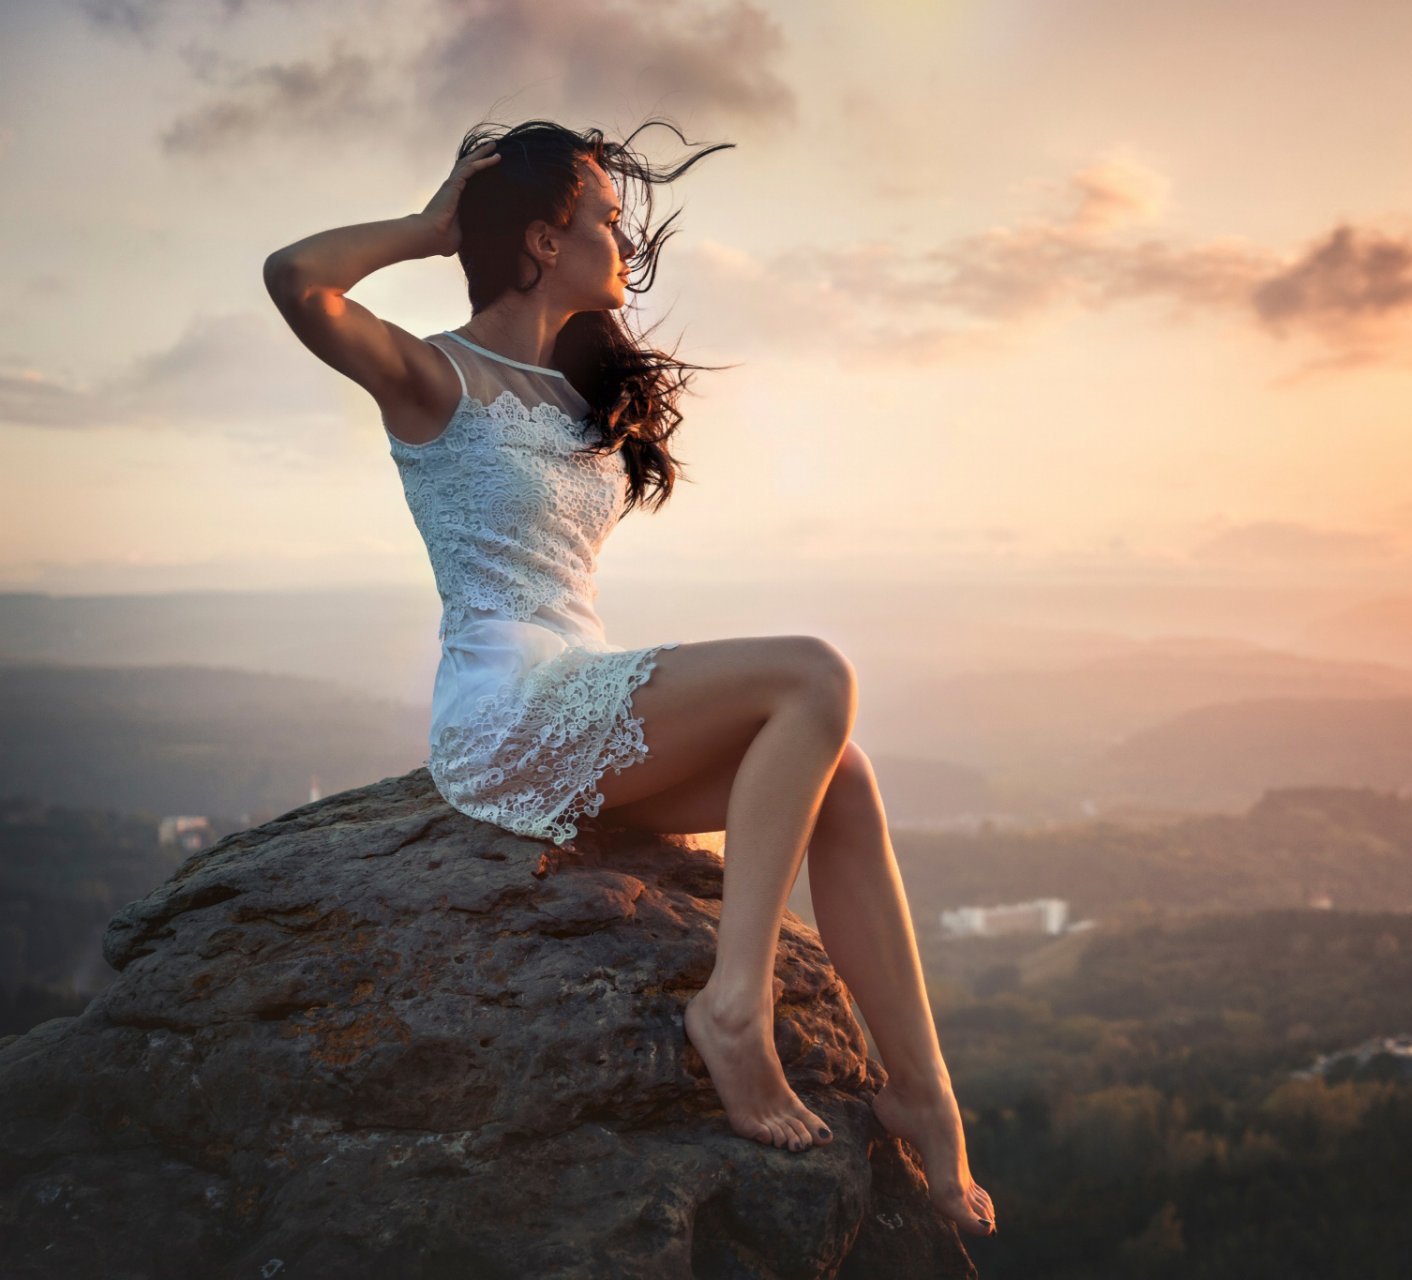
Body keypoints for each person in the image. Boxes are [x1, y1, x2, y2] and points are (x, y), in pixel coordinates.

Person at [261, 119, 995, 1238]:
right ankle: (733, 1007)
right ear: (545, 235)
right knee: (815, 673)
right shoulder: (434, 375)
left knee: (840, 773)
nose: (623, 231)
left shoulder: (575, 394)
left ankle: (924, 1098)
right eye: (604, 213)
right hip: (505, 709)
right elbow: (294, 279)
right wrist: (427, 228)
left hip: (579, 691)